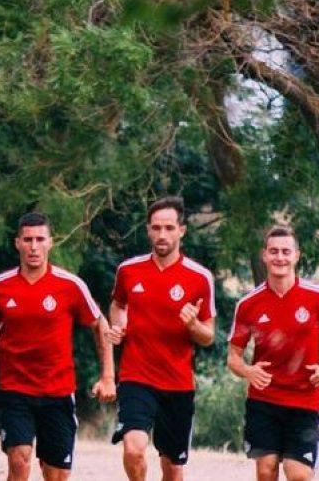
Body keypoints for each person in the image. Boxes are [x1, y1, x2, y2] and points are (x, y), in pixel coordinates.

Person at [0, 212, 117, 481]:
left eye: (39, 239)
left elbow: (100, 324)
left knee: (56, 475)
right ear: (17, 242)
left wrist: (108, 377)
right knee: (19, 461)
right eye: (27, 239)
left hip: (58, 392)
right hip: (15, 389)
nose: (33, 246)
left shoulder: (70, 285)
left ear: (50, 243)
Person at [105, 196, 216, 481]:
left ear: (182, 230)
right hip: (136, 377)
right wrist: (120, 326)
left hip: (177, 383)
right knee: (134, 449)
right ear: (148, 230)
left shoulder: (199, 278)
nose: (162, 234)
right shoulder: (129, 271)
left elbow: (208, 336)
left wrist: (192, 325)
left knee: (173, 468)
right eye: (156, 228)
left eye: (168, 228)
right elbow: (118, 306)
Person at [227, 225, 319, 481]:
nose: (279, 257)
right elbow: (233, 357)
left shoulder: (316, 298)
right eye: (273, 251)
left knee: (298, 475)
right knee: (266, 469)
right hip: (263, 402)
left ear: (296, 255)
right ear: (264, 255)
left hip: (304, 401)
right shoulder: (248, 304)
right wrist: (248, 370)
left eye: (285, 251)